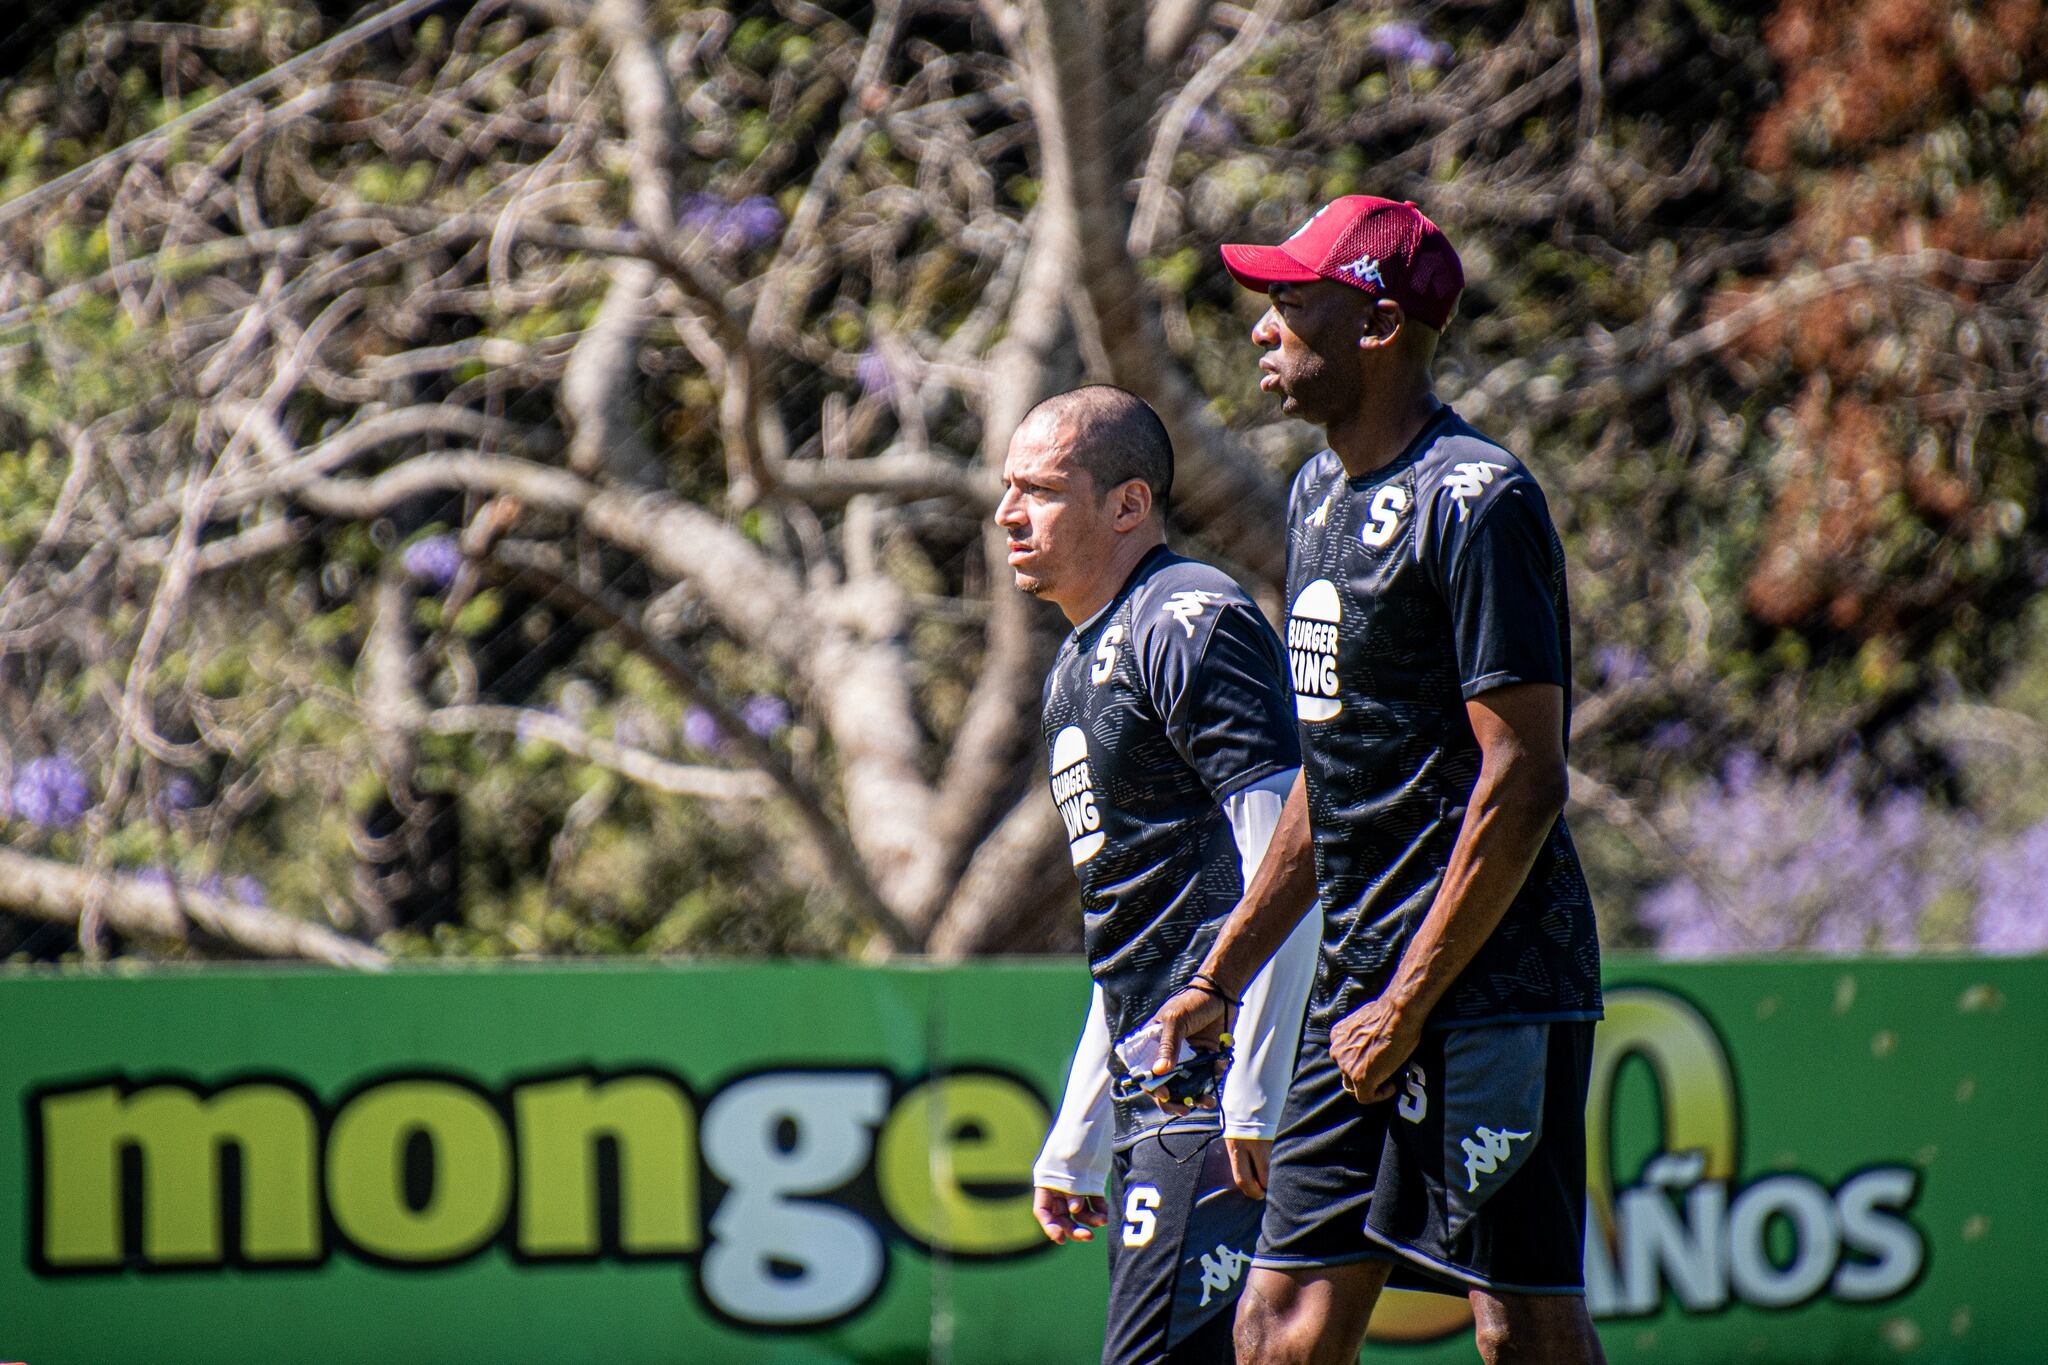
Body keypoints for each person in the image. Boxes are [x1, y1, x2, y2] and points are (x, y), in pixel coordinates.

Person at [1138, 197, 1607, 1365]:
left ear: (1379, 326)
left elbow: (1523, 778)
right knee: (1279, 1324)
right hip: (1354, 991)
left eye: (1291, 303)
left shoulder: (1477, 501)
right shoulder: (1314, 496)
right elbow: (1332, 771)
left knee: (1517, 1327)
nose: (1262, 328)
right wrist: (1221, 973)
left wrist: (1408, 1004)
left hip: (1488, 986)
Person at [1001, 385, 1322, 1364]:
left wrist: (1255, 1093)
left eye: (1039, 490)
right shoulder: (1074, 668)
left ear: (1127, 505)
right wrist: (1079, 1131)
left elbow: (1289, 867)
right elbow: (1136, 926)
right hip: (1160, 1099)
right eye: (1007, 488)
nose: (1008, 513)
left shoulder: (1188, 619)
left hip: (1219, 1094)